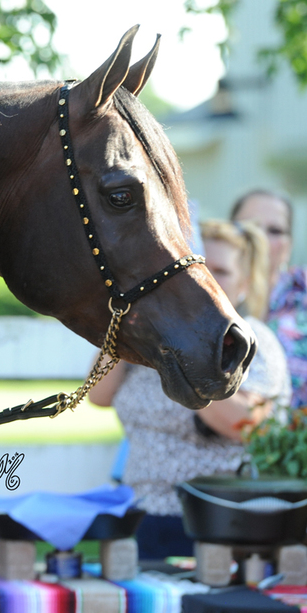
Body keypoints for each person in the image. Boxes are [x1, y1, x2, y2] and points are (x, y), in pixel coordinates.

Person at [89, 219, 292, 559]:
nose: (204, 280)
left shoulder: (251, 339)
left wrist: (188, 362)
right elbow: (99, 394)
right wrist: (128, 324)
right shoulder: (150, 335)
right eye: (195, 266)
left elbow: (249, 425)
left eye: (221, 272)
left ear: (244, 284)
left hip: (213, 523)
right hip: (139, 514)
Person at [231, 188, 307, 408]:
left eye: (275, 230)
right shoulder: (200, 296)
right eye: (249, 226)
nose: (261, 238)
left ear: (288, 246)